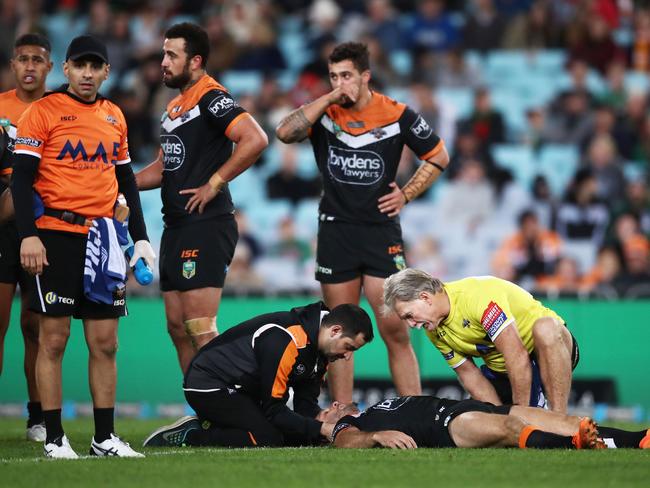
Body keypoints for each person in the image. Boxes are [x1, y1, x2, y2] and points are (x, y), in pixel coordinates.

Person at [275, 42, 450, 404]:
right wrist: (327, 98)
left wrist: (405, 194)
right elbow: (283, 133)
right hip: (336, 231)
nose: (340, 83)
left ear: (365, 76)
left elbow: (438, 155)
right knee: (340, 331)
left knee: (394, 329)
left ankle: (416, 412)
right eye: (334, 76)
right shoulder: (324, 113)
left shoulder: (397, 114)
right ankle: (343, 412)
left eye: (347, 76)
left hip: (379, 232)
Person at [11, 35, 155, 458]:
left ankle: (103, 438)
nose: (88, 74)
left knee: (106, 341)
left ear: (107, 71)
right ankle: (55, 438)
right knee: (53, 338)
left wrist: (141, 239)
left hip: (105, 237)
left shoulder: (115, 116)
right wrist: (28, 235)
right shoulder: (42, 112)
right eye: (81, 66)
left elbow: (126, 180)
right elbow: (21, 179)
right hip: (55, 235)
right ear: (67, 69)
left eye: (96, 67)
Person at [135, 23, 268, 373]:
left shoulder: (212, 96)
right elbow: (165, 167)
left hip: (206, 224)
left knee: (200, 328)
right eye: (164, 54)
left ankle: (234, 409)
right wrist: (119, 182)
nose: (163, 62)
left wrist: (215, 182)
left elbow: (254, 139)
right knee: (178, 329)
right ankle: (203, 412)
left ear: (195, 61)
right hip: (176, 226)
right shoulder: (175, 107)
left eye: (171, 55)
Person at [142, 302, 374, 448]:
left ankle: (221, 424)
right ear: (335, 331)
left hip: (243, 390)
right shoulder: (287, 339)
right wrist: (322, 429)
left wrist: (322, 422)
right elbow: (274, 409)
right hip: (209, 385)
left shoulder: (321, 351)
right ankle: (195, 434)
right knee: (268, 437)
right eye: (349, 347)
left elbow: (305, 404)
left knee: (299, 434)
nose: (347, 357)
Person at [382, 269, 579, 413]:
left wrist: (519, 414)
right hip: (503, 372)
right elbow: (469, 375)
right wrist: (498, 418)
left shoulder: (477, 297)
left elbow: (516, 356)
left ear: (425, 297)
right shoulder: (432, 327)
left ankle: (559, 418)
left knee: (545, 327)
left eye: (409, 315)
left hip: (547, 352)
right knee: (474, 420)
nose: (411, 324)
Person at [0, 33, 52, 443]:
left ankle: (37, 417)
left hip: (45, 227)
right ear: (13, 66)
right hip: (4, 227)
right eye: (22, 59)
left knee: (35, 327)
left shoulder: (62, 109)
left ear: (50, 67)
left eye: (37, 59)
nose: (30, 66)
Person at [331, 395, 650, 450]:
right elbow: (344, 441)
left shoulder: (373, 408)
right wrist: (377, 437)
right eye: (322, 412)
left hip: (467, 407)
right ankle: (573, 445)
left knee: (563, 419)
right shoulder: (348, 424)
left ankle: (640, 439)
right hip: (448, 427)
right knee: (513, 432)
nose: (331, 406)